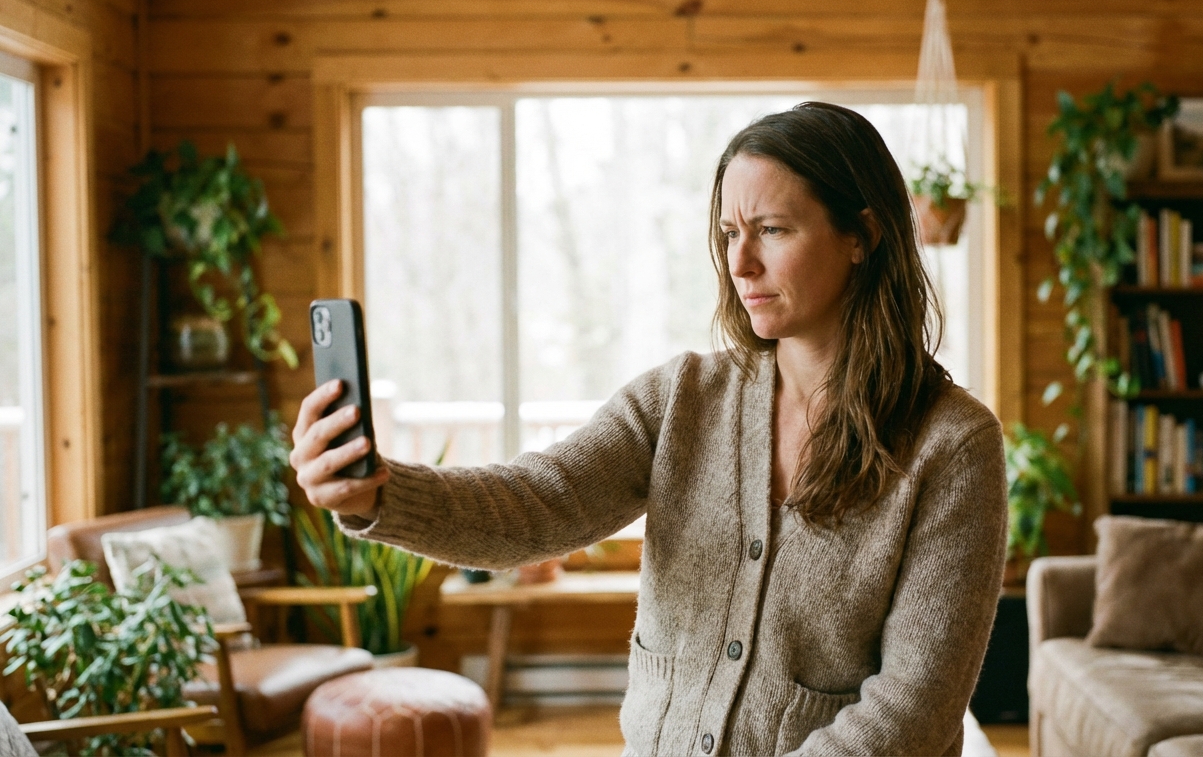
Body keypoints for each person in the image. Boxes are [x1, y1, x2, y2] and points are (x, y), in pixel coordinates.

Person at [292, 102, 1007, 756]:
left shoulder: (953, 445)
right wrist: (378, 497)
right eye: (730, 232)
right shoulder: (684, 398)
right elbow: (535, 503)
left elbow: (914, 710)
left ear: (863, 235)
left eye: (773, 230)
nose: (739, 262)